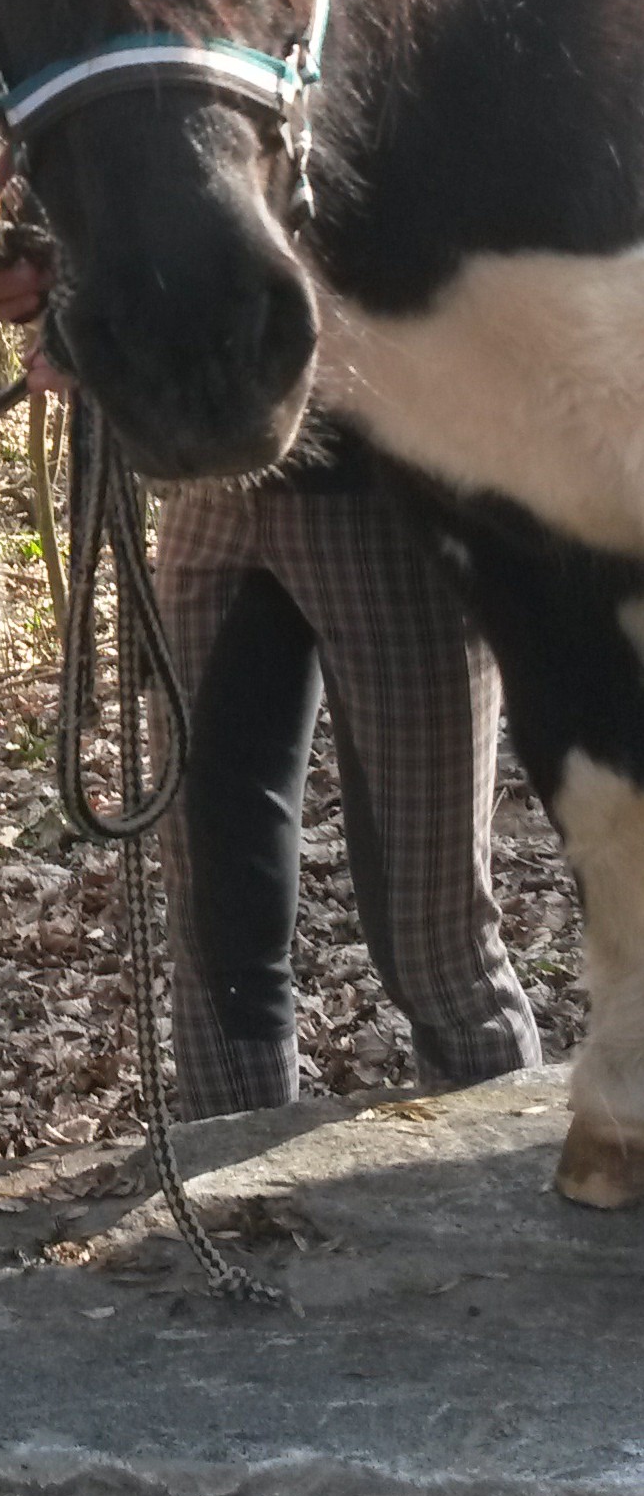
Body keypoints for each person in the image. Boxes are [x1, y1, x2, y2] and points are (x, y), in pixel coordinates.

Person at [152, 432, 542, 1120]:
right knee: (215, 937)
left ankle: (505, 1171)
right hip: (207, 485)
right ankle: (233, 1180)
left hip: (396, 499)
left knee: (438, 948)